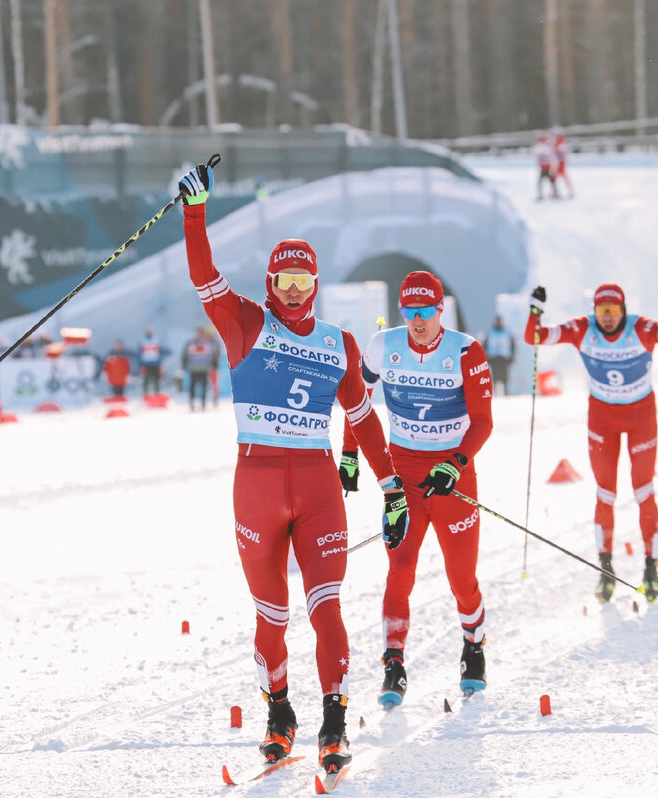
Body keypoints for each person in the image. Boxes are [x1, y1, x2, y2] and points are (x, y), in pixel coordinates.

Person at [178, 162, 408, 777]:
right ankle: (279, 715)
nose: (295, 289)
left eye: (304, 278)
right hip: (255, 485)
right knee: (271, 615)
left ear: (316, 283)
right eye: (285, 279)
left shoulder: (340, 343)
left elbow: (361, 419)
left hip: (317, 488)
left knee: (326, 607)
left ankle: (334, 725)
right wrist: (195, 213)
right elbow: (204, 275)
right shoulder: (245, 322)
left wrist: (391, 488)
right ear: (271, 282)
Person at [339, 270, 494, 707]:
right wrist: (349, 454)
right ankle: (394, 663)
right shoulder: (382, 346)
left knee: (461, 577)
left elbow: (483, 421)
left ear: (440, 310)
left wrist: (457, 462)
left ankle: (474, 647)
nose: (418, 320)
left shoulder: (466, 350)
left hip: (452, 474)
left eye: (426, 311)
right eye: (410, 311)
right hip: (402, 473)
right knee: (400, 568)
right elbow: (357, 401)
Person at [524, 282, 658, 603]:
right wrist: (535, 309)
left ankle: (650, 567)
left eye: (613, 311)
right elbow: (535, 337)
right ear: (594, 311)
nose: (608, 318)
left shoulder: (641, 327)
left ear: (623, 310)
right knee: (605, 493)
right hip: (603, 418)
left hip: (641, 416)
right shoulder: (582, 329)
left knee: (643, 488)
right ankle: (606, 570)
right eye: (602, 311)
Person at [182, 326, 216, 411]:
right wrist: (184, 364)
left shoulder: (206, 343)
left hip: (204, 368)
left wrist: (212, 364)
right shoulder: (191, 342)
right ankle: (191, 404)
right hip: (194, 368)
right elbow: (185, 354)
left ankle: (203, 404)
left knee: (204, 387)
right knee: (192, 387)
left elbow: (211, 355)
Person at [481, 316, 515, 396]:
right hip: (493, 357)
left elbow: (512, 345)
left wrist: (512, 356)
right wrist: (485, 357)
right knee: (494, 375)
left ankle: (506, 392)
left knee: (505, 375)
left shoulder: (507, 332)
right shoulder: (489, 332)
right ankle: (495, 391)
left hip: (504, 357)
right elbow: (485, 345)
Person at [138, 327, 165, 395]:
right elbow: (139, 354)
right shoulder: (142, 341)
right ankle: (145, 395)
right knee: (146, 381)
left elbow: (160, 353)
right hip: (146, 364)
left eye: (150, 331)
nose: (149, 332)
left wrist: (160, 364)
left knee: (157, 381)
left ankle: (157, 395)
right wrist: (141, 365)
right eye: (148, 331)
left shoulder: (156, 340)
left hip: (155, 364)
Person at [533, 134, 559, 201]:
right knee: (548, 182)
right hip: (544, 168)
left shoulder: (545, 148)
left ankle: (553, 193)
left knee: (550, 181)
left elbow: (551, 158)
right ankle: (552, 193)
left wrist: (553, 167)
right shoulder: (545, 147)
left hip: (547, 168)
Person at [552, 129, 574, 199]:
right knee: (558, 178)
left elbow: (557, 151)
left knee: (557, 178)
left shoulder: (561, 144)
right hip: (560, 163)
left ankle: (557, 192)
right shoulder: (560, 144)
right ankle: (557, 192)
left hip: (560, 163)